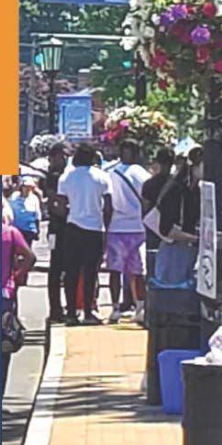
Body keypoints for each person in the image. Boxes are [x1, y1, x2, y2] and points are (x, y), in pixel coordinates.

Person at [57, 142, 113, 326]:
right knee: (91, 273)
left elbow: (61, 203)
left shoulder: (66, 177)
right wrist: (106, 227)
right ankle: (89, 312)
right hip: (95, 230)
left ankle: (71, 312)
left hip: (73, 228)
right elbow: (109, 207)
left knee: (71, 273)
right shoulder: (102, 177)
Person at [106, 139, 151, 324]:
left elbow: (107, 202)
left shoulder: (110, 172)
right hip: (138, 228)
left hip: (115, 227)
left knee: (115, 270)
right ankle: (139, 306)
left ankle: (115, 308)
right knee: (137, 271)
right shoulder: (142, 174)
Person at [155, 146, 203, 287]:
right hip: (174, 249)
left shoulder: (197, 190)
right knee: (171, 292)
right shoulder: (177, 189)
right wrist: (194, 238)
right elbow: (166, 228)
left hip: (189, 250)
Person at [1, 206, 36, 392]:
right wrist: (17, 275)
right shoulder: (10, 233)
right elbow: (30, 256)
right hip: (5, 295)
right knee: (4, 344)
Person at [141, 146, 175, 280]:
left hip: (153, 230)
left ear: (158, 162)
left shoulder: (149, 184)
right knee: (172, 268)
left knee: (152, 268)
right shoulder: (179, 183)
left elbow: (145, 208)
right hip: (173, 230)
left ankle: (152, 295)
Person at [44, 142, 69, 321]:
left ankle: (70, 305)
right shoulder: (51, 176)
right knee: (55, 268)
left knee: (70, 268)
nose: (64, 159)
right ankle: (55, 308)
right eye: (61, 155)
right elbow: (53, 200)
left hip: (69, 226)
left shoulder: (68, 174)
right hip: (56, 226)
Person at [9, 175, 42, 247]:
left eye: (29, 187)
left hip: (28, 230)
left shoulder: (34, 199)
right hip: (16, 229)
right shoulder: (14, 196)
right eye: (24, 186)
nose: (26, 189)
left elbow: (37, 215)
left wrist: (37, 230)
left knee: (27, 249)